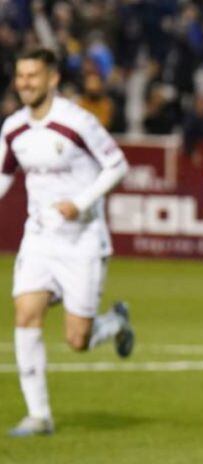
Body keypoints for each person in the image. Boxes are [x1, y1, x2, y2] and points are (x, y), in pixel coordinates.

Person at [0, 49, 135, 437]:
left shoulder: (77, 122)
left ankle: (115, 322)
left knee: (78, 340)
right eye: (20, 75)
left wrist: (80, 203)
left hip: (83, 241)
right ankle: (38, 415)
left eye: (33, 75)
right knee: (25, 312)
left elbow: (117, 165)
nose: (25, 82)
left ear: (52, 79)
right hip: (40, 237)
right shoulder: (13, 128)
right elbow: (5, 176)